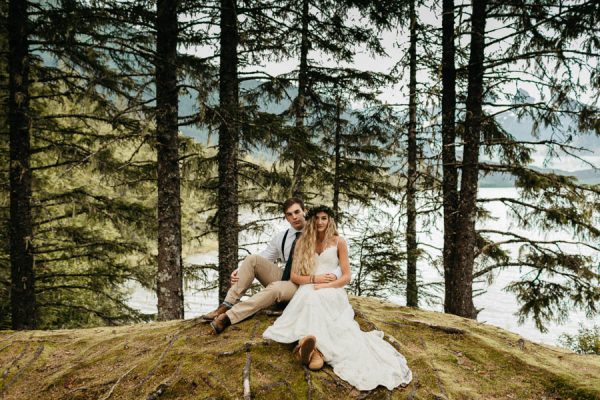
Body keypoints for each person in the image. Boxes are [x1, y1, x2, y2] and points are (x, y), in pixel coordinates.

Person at [263, 205, 413, 391]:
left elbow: (346, 277)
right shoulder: (302, 242)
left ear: (330, 220)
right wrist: (314, 279)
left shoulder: (338, 242)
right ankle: (312, 350)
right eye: (316, 218)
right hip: (309, 285)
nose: (320, 222)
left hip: (331, 288)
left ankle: (311, 348)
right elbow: (294, 277)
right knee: (310, 296)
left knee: (318, 298)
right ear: (311, 220)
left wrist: (327, 285)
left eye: (324, 218)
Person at [202, 198, 340, 334]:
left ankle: (229, 317)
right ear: (286, 217)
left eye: (297, 212)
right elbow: (265, 256)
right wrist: (239, 271)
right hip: (288, 277)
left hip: (306, 284)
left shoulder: (319, 231)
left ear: (305, 211)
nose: (294, 217)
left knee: (276, 288)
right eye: (289, 214)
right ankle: (226, 305)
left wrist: (332, 277)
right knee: (252, 259)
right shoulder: (282, 237)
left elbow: (336, 260)